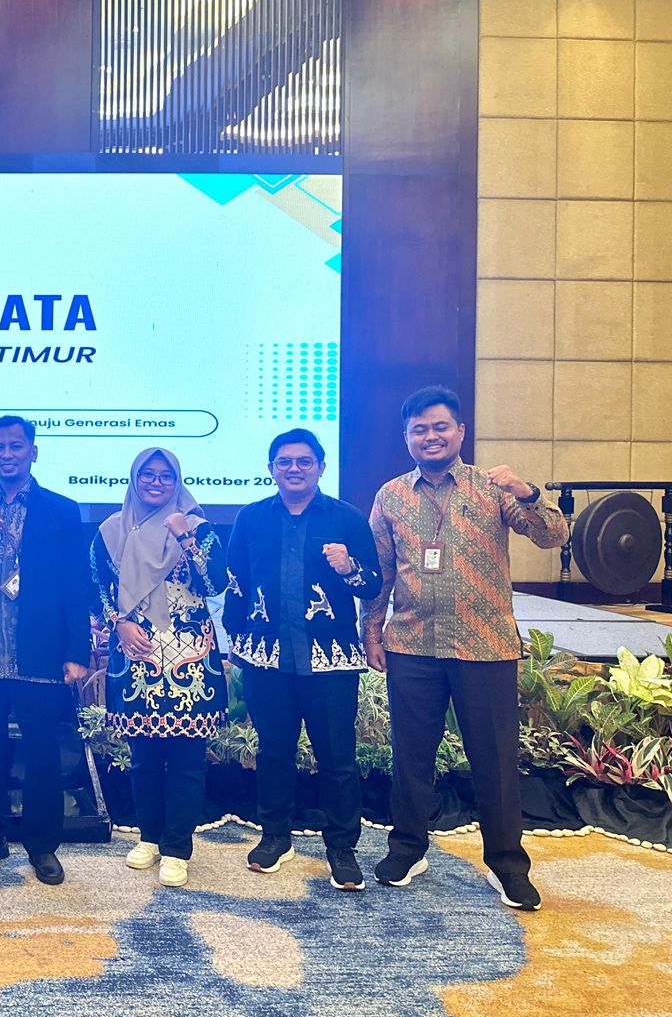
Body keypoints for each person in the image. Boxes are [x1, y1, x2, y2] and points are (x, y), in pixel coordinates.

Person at [361, 386, 566, 911]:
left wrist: (527, 491)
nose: (430, 437)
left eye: (440, 427)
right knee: (411, 756)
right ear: (406, 437)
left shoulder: (492, 487)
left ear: (460, 431)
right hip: (412, 645)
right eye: (419, 430)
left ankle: (507, 864)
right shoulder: (390, 496)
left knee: (495, 760)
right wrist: (371, 630)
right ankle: (407, 849)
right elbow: (380, 573)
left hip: (486, 646)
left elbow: (552, 536)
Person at [222, 428, 381, 891]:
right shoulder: (251, 517)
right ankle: (275, 837)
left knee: (337, 758)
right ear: (271, 468)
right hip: (266, 658)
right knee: (273, 752)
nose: (294, 468)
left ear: (321, 467)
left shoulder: (347, 518)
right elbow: (236, 582)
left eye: (304, 461)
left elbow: (373, 585)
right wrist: (236, 639)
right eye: (285, 461)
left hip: (330, 660)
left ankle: (342, 848)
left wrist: (349, 568)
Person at [0, 415, 90, 886]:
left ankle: (43, 847)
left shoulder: (62, 510)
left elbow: (76, 583)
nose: (6, 454)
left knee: (42, 755)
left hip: (40, 653)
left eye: (15, 446)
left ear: (33, 451)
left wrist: (77, 650)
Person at [90, 448, 227, 888]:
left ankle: (178, 847)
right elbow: (97, 588)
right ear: (134, 479)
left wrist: (185, 537)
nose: (155, 482)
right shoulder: (110, 530)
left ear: (177, 480)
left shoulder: (199, 528)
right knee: (143, 757)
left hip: (190, 655)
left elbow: (215, 583)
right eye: (146, 475)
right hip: (136, 654)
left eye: (165, 475)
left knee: (187, 759)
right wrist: (119, 623)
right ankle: (149, 837)